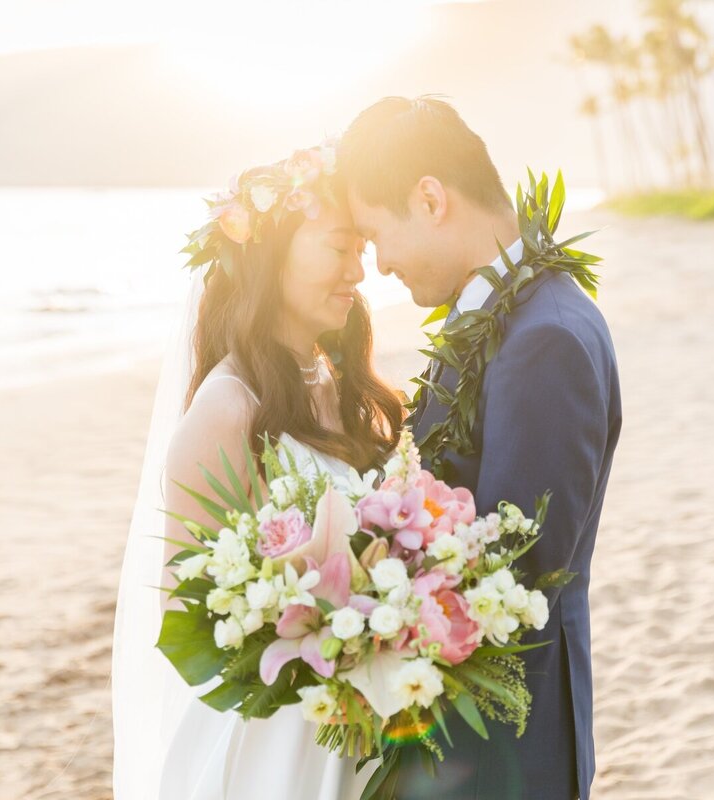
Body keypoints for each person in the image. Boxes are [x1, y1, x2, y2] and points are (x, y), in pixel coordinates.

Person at [338, 95, 623, 800]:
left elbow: (509, 580)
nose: (378, 266)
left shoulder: (543, 341)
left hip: (502, 754)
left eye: (377, 235)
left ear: (430, 198)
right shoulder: (506, 315)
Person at [110, 139, 403, 799]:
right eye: (338, 248)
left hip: (355, 722)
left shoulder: (331, 378)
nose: (358, 272)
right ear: (273, 255)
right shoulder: (225, 410)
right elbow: (187, 620)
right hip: (274, 748)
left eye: (361, 249)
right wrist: (325, 633)